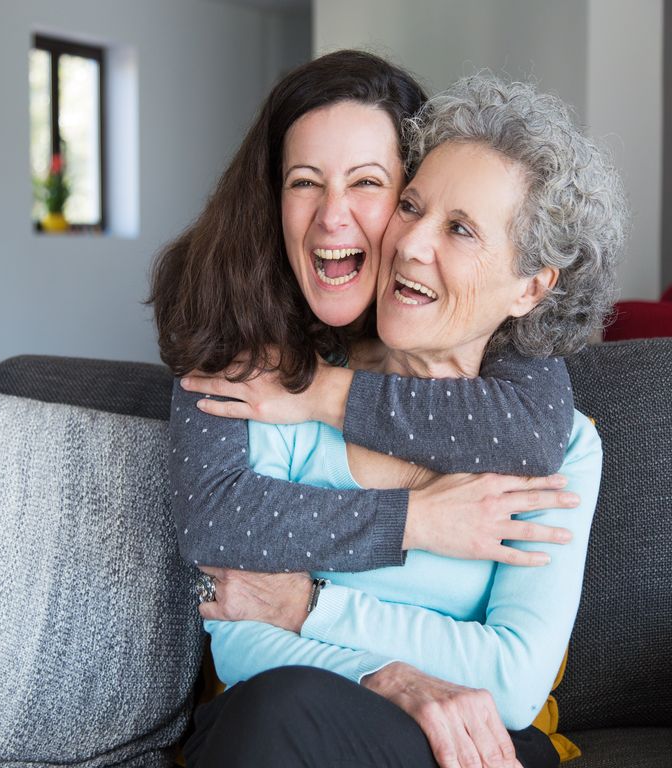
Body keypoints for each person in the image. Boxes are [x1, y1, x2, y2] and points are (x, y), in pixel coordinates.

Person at [182, 74, 626, 768]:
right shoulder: (284, 387)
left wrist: (310, 606)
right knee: (274, 713)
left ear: (530, 286)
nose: (410, 242)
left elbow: (511, 681)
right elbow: (239, 629)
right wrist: (387, 678)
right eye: (412, 207)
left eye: (459, 229)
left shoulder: (560, 445)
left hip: (466, 747)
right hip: (287, 725)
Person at [151, 51, 579, 580]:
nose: (332, 217)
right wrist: (412, 520)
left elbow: (531, 432)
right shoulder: (227, 303)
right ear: (271, 196)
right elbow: (212, 519)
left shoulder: (463, 309)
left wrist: (321, 393)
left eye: (368, 183)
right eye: (305, 181)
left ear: (413, 195)